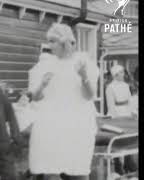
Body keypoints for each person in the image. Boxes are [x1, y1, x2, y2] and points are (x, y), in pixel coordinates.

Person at [28, 23, 99, 180]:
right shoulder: (45, 65)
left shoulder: (83, 61)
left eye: (53, 41)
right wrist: (42, 85)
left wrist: (84, 76)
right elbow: (35, 97)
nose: (49, 45)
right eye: (49, 41)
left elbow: (89, 96)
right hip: (50, 123)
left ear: (63, 42)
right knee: (50, 169)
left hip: (76, 123)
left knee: (78, 171)